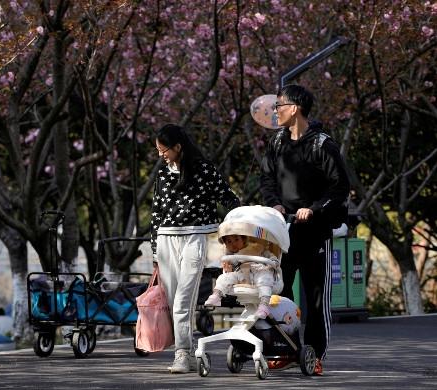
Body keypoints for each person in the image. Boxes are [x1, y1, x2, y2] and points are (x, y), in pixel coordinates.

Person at [259, 84, 350, 375]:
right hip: (283, 233)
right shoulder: (276, 143)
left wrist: (314, 208)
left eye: (279, 106)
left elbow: (340, 188)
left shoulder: (323, 144)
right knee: (279, 294)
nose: (276, 111)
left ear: (295, 107)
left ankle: (314, 353)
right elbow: (267, 179)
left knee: (315, 299)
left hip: (316, 233)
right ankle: (286, 348)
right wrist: (274, 204)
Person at [150, 124, 240, 374]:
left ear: (178, 147)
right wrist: (155, 252)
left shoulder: (204, 170)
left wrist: (236, 226)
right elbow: (156, 214)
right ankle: (187, 354)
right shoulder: (163, 174)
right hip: (166, 239)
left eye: (163, 150)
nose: (161, 155)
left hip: (196, 238)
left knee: (182, 300)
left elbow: (228, 198)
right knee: (172, 301)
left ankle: (181, 354)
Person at [203, 234, 282, 318]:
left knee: (264, 277)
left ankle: (264, 305)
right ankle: (216, 295)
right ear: (225, 244)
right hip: (242, 277)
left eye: (236, 240)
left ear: (244, 239)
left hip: (259, 272)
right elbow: (232, 272)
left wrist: (271, 264)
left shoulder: (258, 248)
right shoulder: (232, 257)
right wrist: (229, 270)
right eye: (229, 241)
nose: (233, 244)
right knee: (224, 277)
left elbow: (273, 259)